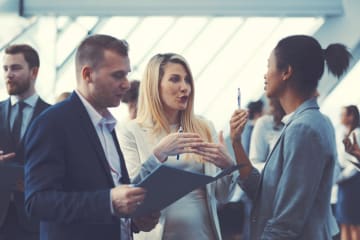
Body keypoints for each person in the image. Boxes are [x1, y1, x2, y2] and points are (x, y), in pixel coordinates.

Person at [24, 34, 159, 240]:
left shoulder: (109, 126)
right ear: (87, 74)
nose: (126, 84)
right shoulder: (52, 123)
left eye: (126, 75)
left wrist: (133, 218)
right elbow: (37, 202)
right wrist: (108, 202)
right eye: (117, 76)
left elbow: (110, 195)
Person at [230, 34, 351, 239]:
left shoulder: (304, 129)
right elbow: (266, 194)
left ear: (286, 72)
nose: (265, 75)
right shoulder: (311, 123)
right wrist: (236, 143)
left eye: (269, 66)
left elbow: (286, 222)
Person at [117, 53, 238, 240]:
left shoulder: (204, 127)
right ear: (154, 86)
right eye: (175, 79)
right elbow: (130, 194)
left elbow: (223, 196)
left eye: (187, 80)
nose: (185, 87)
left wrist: (228, 167)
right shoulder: (131, 130)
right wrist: (157, 155)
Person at [0, 44, 50, 240]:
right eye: (5, 69)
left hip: (35, 219)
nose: (8, 74)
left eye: (16, 68)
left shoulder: (52, 116)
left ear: (34, 71)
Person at [336, 105, 360, 240]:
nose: (340, 118)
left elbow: (354, 163)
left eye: (342, 114)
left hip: (353, 181)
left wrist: (339, 177)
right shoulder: (346, 133)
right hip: (345, 183)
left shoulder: (357, 133)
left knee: (354, 222)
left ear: (351, 116)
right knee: (345, 221)